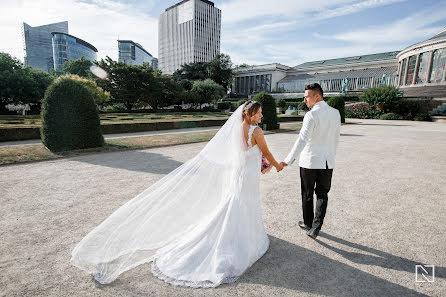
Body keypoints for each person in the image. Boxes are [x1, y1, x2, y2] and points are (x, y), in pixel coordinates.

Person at [70, 100, 283, 288]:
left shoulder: (238, 128)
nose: (261, 115)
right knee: (243, 204)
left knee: (236, 203)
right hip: (247, 175)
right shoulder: (256, 131)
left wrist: (261, 164)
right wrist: (276, 165)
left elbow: (241, 153)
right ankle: (239, 241)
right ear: (249, 114)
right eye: (259, 113)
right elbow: (266, 153)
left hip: (240, 173)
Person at [281, 83, 341, 239]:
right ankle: (316, 227)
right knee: (322, 195)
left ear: (317, 96)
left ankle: (309, 224)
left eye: (307, 96)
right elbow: (335, 139)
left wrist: (288, 160)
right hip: (328, 162)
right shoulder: (336, 113)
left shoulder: (311, 115)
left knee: (307, 194)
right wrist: (331, 157)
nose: (304, 99)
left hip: (310, 162)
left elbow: (302, 139)